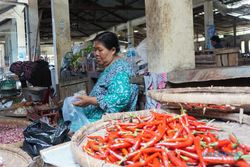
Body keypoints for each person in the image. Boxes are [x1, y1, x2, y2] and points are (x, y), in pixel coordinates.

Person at [62, 31, 138, 132]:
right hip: (97, 118)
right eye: (95, 50)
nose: (96, 54)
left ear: (113, 50)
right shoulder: (111, 66)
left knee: (70, 131)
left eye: (100, 50)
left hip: (109, 124)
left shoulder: (120, 69)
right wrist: (88, 97)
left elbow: (121, 98)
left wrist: (90, 100)